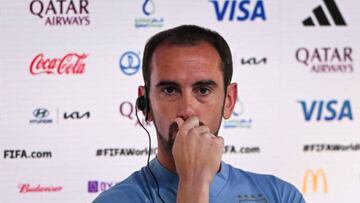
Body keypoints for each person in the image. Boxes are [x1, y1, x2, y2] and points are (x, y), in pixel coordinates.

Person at [93, 25, 305, 203]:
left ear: (229, 101)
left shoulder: (280, 196)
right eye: (169, 90)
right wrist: (193, 184)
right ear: (145, 103)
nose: (187, 109)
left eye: (203, 90)